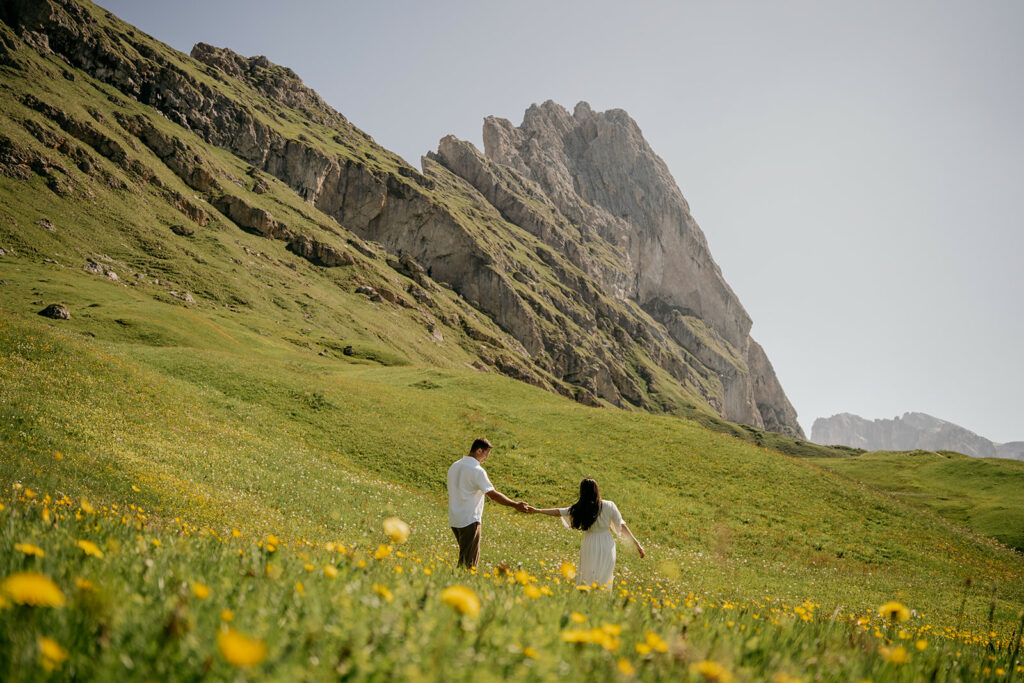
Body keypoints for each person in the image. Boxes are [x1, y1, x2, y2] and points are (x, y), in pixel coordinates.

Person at [526, 478, 644, 588]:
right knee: (604, 575)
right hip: (606, 543)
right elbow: (622, 527)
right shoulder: (609, 505)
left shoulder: (580, 508)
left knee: (587, 574)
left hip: (590, 543)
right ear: (596, 490)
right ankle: (601, 599)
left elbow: (558, 511)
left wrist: (538, 510)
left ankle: (586, 597)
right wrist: (637, 544)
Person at [447, 438, 528, 568]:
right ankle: (460, 585)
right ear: (479, 450)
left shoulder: (455, 466)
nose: (486, 458)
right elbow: (492, 495)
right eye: (486, 454)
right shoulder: (477, 470)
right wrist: (515, 504)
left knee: (465, 558)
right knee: (469, 564)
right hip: (469, 520)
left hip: (455, 519)